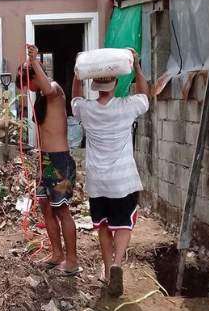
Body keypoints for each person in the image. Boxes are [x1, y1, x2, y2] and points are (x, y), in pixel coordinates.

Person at [71, 48, 150, 297]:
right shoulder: (128, 106)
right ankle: (117, 264)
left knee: (103, 226)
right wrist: (136, 66)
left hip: (98, 180)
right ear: (116, 84)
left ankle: (106, 272)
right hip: (123, 180)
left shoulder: (86, 109)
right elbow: (145, 94)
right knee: (123, 224)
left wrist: (76, 74)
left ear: (94, 86)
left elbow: (74, 100)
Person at [22, 45, 80, 276]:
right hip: (44, 159)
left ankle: (73, 260)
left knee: (62, 210)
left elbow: (46, 86)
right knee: (46, 207)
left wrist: (34, 61)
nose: (28, 88)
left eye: (29, 83)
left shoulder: (54, 89)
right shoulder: (41, 97)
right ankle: (57, 254)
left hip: (59, 161)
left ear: (36, 77)